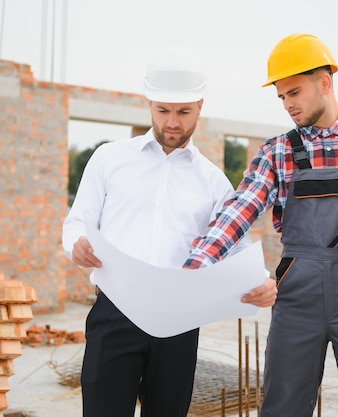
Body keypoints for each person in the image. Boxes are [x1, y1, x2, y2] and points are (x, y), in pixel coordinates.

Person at [184, 33, 338, 417]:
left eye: (294, 92)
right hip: (296, 303)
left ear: (325, 83)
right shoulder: (277, 152)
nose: (288, 105)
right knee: (282, 408)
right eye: (281, 97)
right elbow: (240, 209)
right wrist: (195, 266)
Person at [62, 47, 276, 417]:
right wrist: (75, 245)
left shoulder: (213, 182)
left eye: (183, 112)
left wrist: (261, 282)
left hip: (179, 324)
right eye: (163, 111)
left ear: (200, 106)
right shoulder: (109, 159)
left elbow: (235, 248)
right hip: (114, 313)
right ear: (149, 103)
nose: (172, 122)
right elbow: (76, 222)